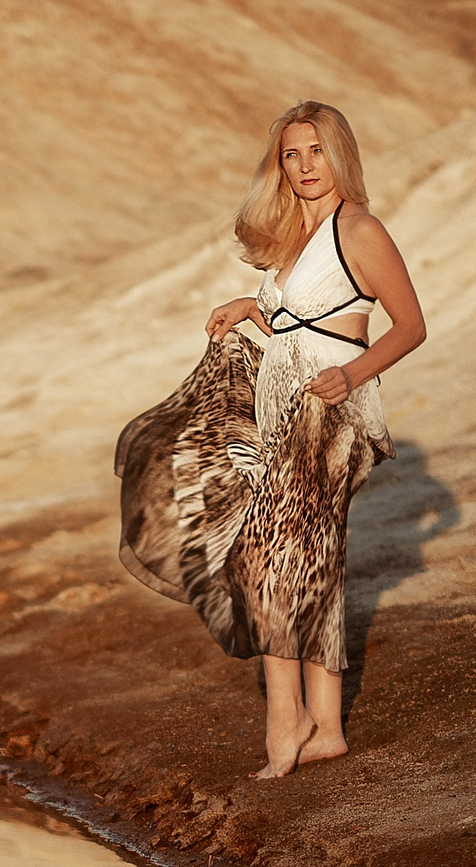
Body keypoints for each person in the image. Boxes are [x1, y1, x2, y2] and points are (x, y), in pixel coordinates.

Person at [115, 101, 429, 778]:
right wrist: (250, 307)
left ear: (340, 155)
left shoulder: (360, 231)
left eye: (317, 151)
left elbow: (410, 325)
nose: (305, 165)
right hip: (280, 404)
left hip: (332, 413)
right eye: (292, 154)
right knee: (307, 561)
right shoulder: (294, 233)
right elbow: (303, 315)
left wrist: (352, 375)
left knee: (263, 559)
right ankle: (326, 725)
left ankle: (285, 721)